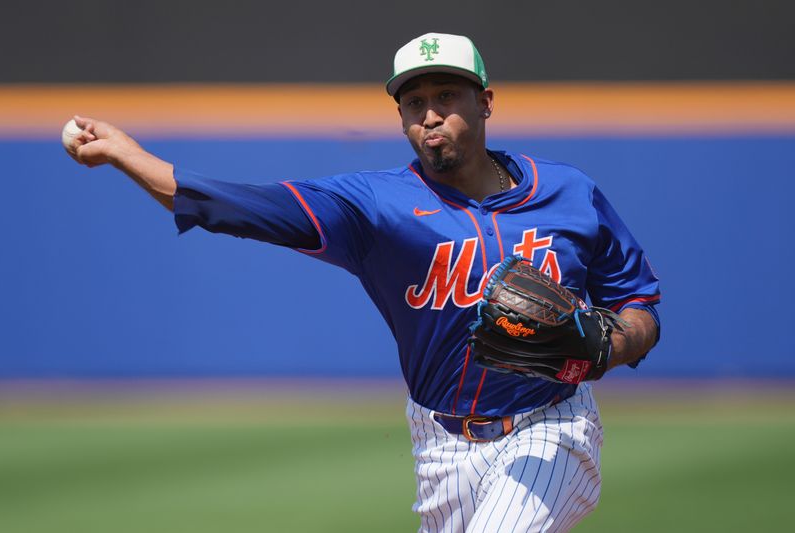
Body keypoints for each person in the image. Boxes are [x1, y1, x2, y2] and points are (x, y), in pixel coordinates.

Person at [67, 32, 660, 533]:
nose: (429, 114)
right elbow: (236, 205)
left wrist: (617, 343)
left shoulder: (568, 194)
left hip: (551, 427)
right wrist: (128, 155)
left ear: (486, 102)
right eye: (414, 101)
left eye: (447, 95)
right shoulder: (376, 205)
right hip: (440, 446)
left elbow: (637, 300)